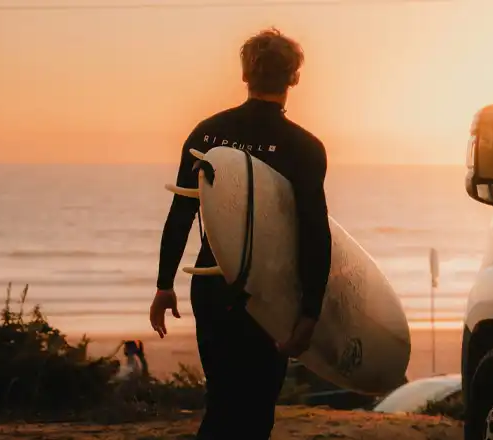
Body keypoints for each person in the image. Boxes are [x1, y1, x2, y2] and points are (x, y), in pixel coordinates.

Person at [148, 27, 332, 440]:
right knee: (256, 410)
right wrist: (310, 312)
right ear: (294, 77)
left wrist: (164, 285)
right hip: (271, 295)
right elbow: (314, 232)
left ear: (245, 74)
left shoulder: (206, 134)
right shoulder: (304, 147)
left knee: (222, 401)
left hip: (212, 285)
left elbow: (181, 211)